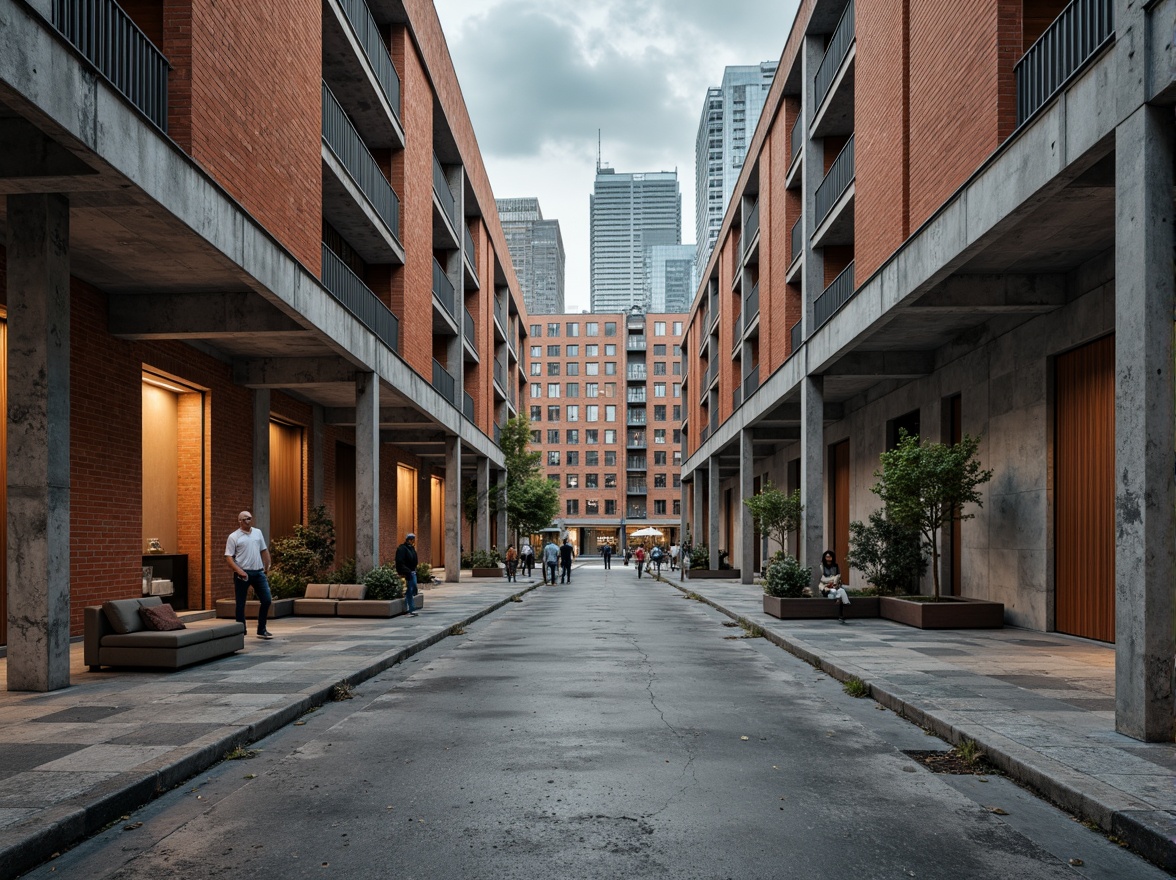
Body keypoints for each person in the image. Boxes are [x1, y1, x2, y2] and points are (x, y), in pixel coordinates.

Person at [225, 511, 273, 639]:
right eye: (246, 519)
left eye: (250, 518)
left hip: (258, 572)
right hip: (243, 573)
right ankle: (241, 630)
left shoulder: (258, 533)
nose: (249, 521)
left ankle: (262, 629)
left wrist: (267, 565)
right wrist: (238, 571)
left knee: (267, 600)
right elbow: (229, 557)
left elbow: (264, 550)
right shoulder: (234, 536)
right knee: (241, 603)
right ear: (239, 521)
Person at [819, 549, 851, 623]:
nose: (828, 558)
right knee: (837, 593)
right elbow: (822, 578)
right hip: (826, 587)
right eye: (827, 557)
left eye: (830, 557)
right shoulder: (822, 566)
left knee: (841, 590)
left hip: (835, 585)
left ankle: (841, 613)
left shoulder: (836, 566)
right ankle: (844, 602)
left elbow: (838, 576)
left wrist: (835, 583)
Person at [395, 533, 419, 616]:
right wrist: (406, 571)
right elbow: (399, 562)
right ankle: (410, 609)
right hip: (407, 572)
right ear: (409, 539)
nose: (413, 541)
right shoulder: (402, 549)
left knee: (413, 589)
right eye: (412, 540)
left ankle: (407, 607)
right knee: (410, 589)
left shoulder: (411, 549)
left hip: (412, 571)